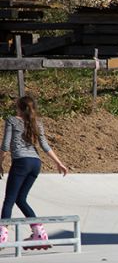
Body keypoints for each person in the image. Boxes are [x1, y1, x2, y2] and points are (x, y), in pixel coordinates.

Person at [0, 96, 68, 248]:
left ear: (18, 107)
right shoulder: (37, 123)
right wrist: (59, 163)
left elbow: (5, 145)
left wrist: (0, 163)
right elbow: (44, 145)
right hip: (35, 163)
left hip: (21, 163)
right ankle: (39, 232)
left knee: (9, 199)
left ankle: (2, 236)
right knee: (21, 199)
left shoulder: (11, 120)